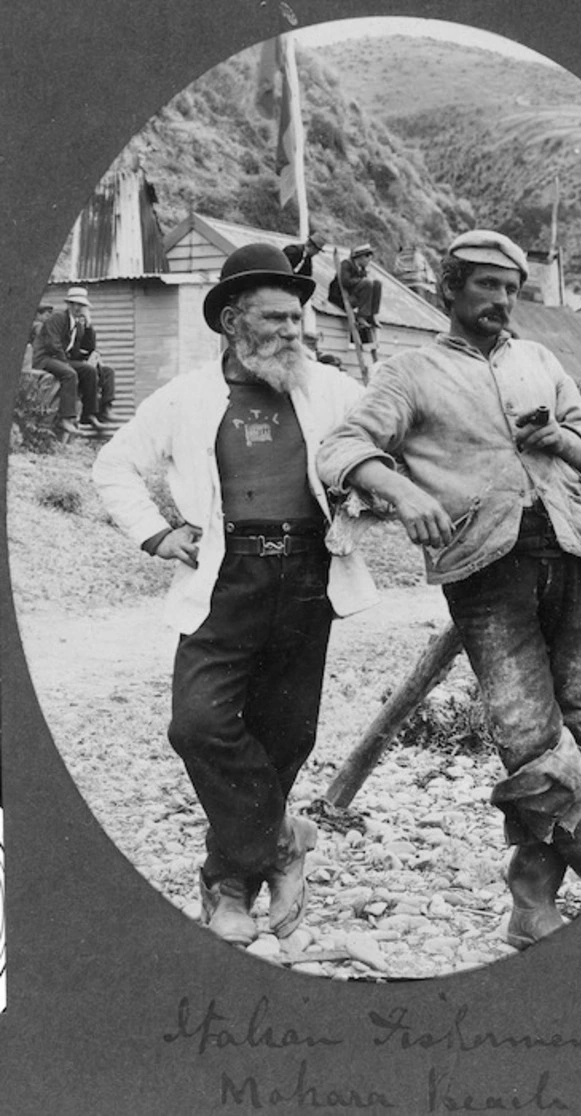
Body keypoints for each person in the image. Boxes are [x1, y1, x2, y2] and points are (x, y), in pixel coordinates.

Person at [318, 229, 581, 951]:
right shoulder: (410, 371)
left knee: (569, 726)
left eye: (511, 289)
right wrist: (397, 488)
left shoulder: (541, 359)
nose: (500, 301)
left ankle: (532, 900)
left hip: (575, 548)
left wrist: (562, 440)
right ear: (449, 289)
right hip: (487, 566)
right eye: (485, 285)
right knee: (528, 733)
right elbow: (341, 448)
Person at [92, 243, 376, 947]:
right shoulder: (186, 397)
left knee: (287, 733)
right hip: (226, 577)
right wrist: (158, 536)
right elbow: (114, 465)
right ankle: (284, 840)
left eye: (298, 318)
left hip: (309, 574)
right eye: (276, 319)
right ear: (231, 323)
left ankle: (228, 884)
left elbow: (385, 452)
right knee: (198, 724)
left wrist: (366, 495)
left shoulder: (333, 391)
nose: (294, 332)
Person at [31, 286, 108, 435]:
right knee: (69, 374)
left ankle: (89, 414)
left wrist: (89, 324)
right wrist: (66, 363)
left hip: (59, 359)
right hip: (44, 358)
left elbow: (87, 348)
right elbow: (53, 345)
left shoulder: (78, 325)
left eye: (82, 305)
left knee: (89, 370)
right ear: (69, 304)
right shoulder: (58, 318)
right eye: (76, 304)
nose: (79, 308)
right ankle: (65, 419)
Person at [69, 312, 118, 424]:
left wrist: (88, 327)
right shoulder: (69, 330)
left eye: (84, 319)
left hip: (83, 363)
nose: (81, 321)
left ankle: (106, 408)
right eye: (79, 318)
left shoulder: (83, 330)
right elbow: (71, 351)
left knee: (108, 371)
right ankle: (90, 414)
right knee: (90, 371)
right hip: (72, 364)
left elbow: (89, 346)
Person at [328, 243, 383, 337]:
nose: (369, 260)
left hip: (353, 297)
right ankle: (361, 317)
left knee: (377, 284)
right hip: (341, 298)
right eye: (367, 257)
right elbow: (345, 281)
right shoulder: (346, 264)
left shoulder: (361, 269)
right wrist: (361, 279)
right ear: (360, 257)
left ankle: (371, 316)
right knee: (367, 283)